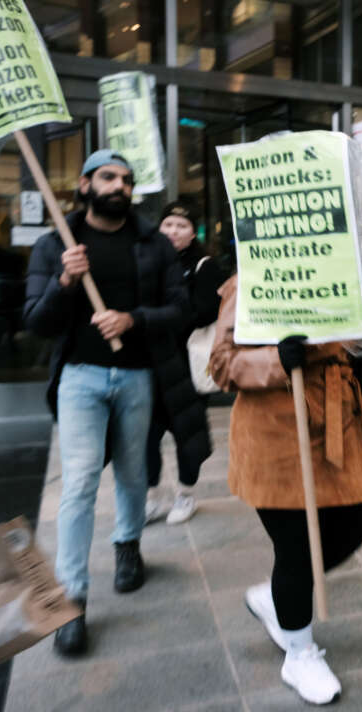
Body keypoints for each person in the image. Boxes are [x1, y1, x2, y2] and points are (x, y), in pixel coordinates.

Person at [23, 149, 190, 656]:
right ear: (85, 184)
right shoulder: (57, 244)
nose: (119, 186)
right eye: (108, 177)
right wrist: (65, 282)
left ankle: (128, 545)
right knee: (77, 483)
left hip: (138, 377)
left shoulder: (154, 244)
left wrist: (132, 320)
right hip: (79, 378)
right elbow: (36, 321)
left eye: (126, 180)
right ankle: (72, 598)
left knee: (134, 471)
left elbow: (182, 309)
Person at [208, 280, 362, 706]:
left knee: (356, 522)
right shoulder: (246, 283)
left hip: (339, 422)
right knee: (297, 548)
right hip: (274, 434)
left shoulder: (336, 267)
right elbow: (222, 364)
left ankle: (273, 596)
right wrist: (276, 361)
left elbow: (361, 336)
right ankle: (299, 653)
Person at [143, 202, 222, 525]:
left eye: (181, 225)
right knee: (146, 435)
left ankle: (185, 494)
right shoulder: (147, 262)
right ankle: (151, 496)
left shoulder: (205, 266)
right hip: (152, 364)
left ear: (193, 233)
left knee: (187, 434)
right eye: (168, 225)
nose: (173, 231)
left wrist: (168, 313)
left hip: (187, 366)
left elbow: (207, 311)